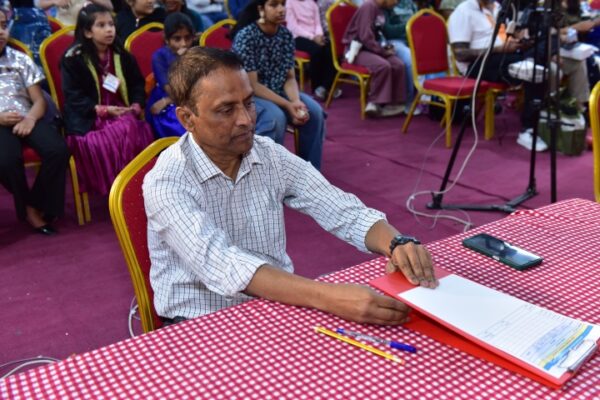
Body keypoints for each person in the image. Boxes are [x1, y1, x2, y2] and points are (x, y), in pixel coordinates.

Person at [143, 47, 437, 325]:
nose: (246, 120)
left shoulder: (268, 154)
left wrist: (396, 243)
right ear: (187, 119)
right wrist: (329, 297)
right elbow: (224, 265)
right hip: (200, 321)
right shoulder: (167, 180)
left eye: (249, 103)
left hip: (275, 303)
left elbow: (337, 206)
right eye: (226, 110)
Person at [448, 0, 590, 152]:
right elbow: (460, 54)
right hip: (479, 64)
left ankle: (535, 60)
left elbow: (507, 33)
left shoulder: (497, 7)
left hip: (506, 54)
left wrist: (519, 41)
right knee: (533, 70)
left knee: (546, 45)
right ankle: (527, 130)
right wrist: (500, 49)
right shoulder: (464, 12)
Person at [61, 4, 153, 195]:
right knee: (123, 130)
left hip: (122, 111)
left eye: (111, 24)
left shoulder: (121, 55)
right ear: (87, 32)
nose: (109, 30)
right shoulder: (73, 59)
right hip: (89, 119)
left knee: (140, 128)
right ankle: (121, 192)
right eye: (101, 25)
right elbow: (73, 96)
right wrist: (102, 109)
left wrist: (136, 104)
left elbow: (137, 84)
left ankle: (136, 189)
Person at [231, 0, 325, 170]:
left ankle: (309, 172)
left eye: (282, 4)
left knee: (314, 112)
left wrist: (295, 101)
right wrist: (288, 105)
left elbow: (289, 77)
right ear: (261, 9)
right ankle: (267, 173)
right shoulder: (247, 36)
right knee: (275, 117)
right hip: (250, 96)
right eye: (274, 5)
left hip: (279, 90)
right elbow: (253, 85)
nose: (281, 9)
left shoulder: (285, 35)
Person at [0, 7, 70, 235]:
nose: (1, 32)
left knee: (58, 150)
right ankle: (29, 211)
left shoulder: (20, 58)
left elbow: (39, 100)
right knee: (7, 161)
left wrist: (30, 118)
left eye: (3, 26)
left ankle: (34, 204)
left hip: (25, 116)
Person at [342, 0, 407, 118]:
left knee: (398, 64)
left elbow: (381, 34)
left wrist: (386, 48)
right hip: (358, 49)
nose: (396, 3)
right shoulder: (369, 6)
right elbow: (365, 37)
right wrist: (382, 51)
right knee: (382, 65)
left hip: (373, 48)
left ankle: (395, 103)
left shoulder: (384, 9)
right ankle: (374, 103)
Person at [146, 12, 194, 137]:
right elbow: (172, 90)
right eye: (177, 39)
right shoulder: (159, 57)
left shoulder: (195, 54)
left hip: (188, 98)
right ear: (167, 39)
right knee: (183, 125)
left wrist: (167, 101)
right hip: (169, 99)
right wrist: (181, 60)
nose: (183, 44)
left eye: (187, 38)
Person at [286, 0, 340, 100]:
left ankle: (327, 86)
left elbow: (318, 23)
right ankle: (317, 86)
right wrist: (312, 37)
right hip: (297, 37)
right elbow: (293, 27)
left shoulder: (312, 3)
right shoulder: (290, 2)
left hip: (314, 36)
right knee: (317, 51)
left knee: (331, 49)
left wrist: (319, 35)